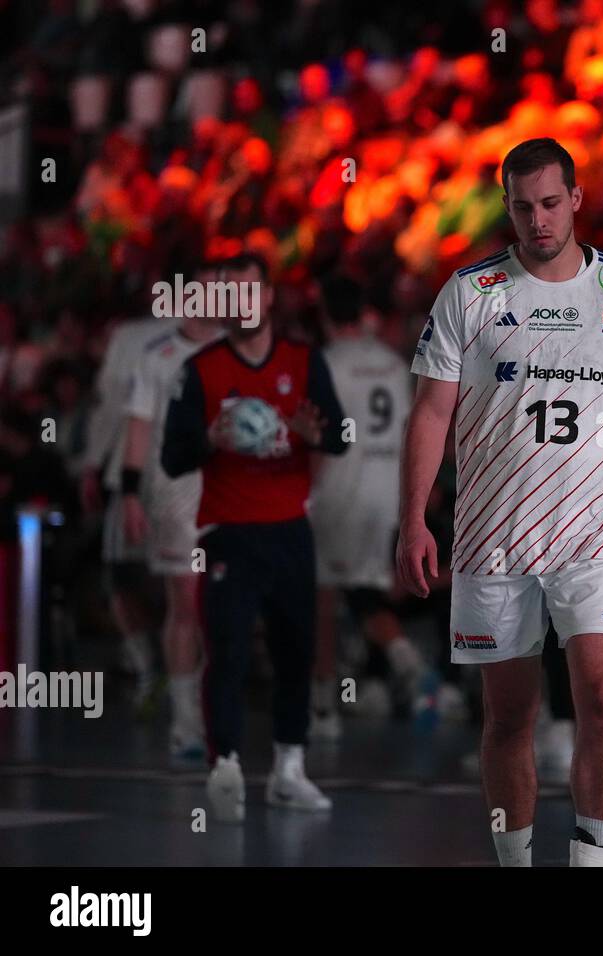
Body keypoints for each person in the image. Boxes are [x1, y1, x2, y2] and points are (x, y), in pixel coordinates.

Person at [397, 137, 603, 867]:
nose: (539, 220)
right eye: (523, 207)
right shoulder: (471, 293)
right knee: (508, 718)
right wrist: (412, 520)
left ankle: (594, 862)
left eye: (551, 203)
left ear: (577, 199)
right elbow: (431, 413)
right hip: (493, 539)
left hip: (597, 538)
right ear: (507, 207)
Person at [161, 252, 350, 823]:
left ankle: (289, 770)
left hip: (290, 530)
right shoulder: (198, 371)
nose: (243, 304)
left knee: (296, 652)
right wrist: (211, 441)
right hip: (228, 534)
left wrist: (318, 434)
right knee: (230, 652)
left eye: (251, 292)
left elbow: (340, 434)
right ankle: (226, 767)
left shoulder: (304, 359)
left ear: (270, 298)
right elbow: (173, 458)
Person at [306, 275, 426, 741]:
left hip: (340, 490)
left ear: (325, 317)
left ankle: (324, 706)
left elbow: (319, 437)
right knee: (364, 590)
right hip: (387, 489)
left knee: (325, 595)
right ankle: (399, 668)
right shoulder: (392, 365)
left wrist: (304, 492)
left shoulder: (326, 363)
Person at [121, 260, 225, 759]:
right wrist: (128, 493)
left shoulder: (235, 349)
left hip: (230, 493)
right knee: (186, 600)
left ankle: (209, 713)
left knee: (221, 607)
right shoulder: (157, 356)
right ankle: (186, 724)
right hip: (174, 491)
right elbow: (138, 427)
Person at [84, 309, 175, 713]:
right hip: (187, 482)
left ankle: (149, 671)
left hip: (136, 475)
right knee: (184, 583)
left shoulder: (129, 337)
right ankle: (182, 679)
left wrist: (92, 462)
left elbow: (109, 408)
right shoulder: (220, 336)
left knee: (123, 576)